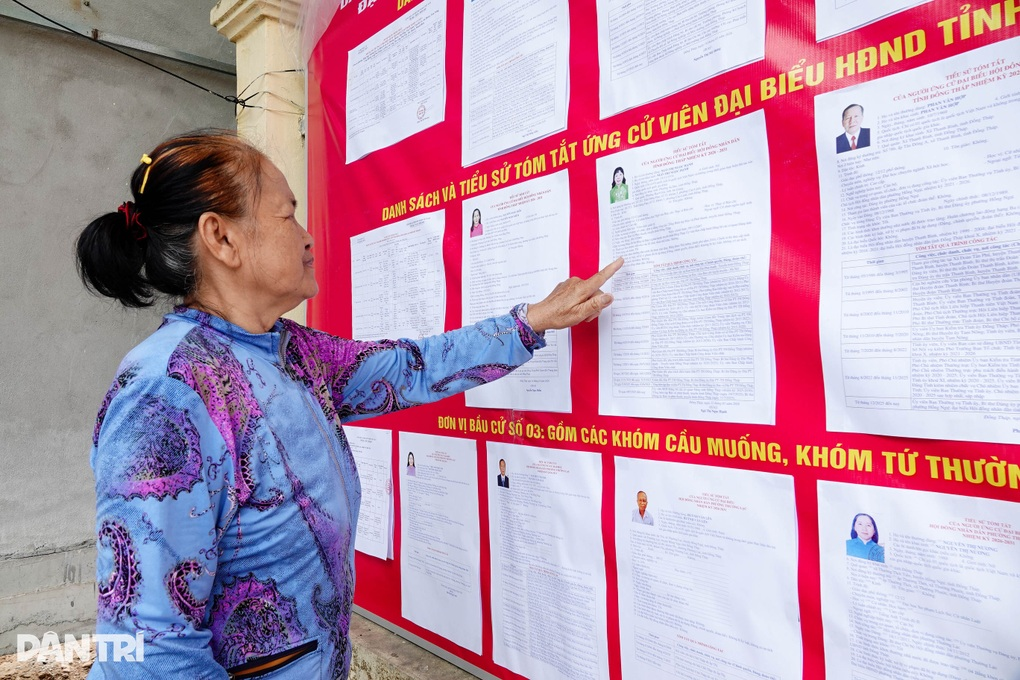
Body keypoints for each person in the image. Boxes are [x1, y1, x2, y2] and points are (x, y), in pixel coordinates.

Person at [76, 129, 623, 679]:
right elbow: (148, 653)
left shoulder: (291, 354)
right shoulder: (166, 395)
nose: (307, 236)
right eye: (287, 215)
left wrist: (530, 323)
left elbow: (410, 368)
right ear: (221, 238)